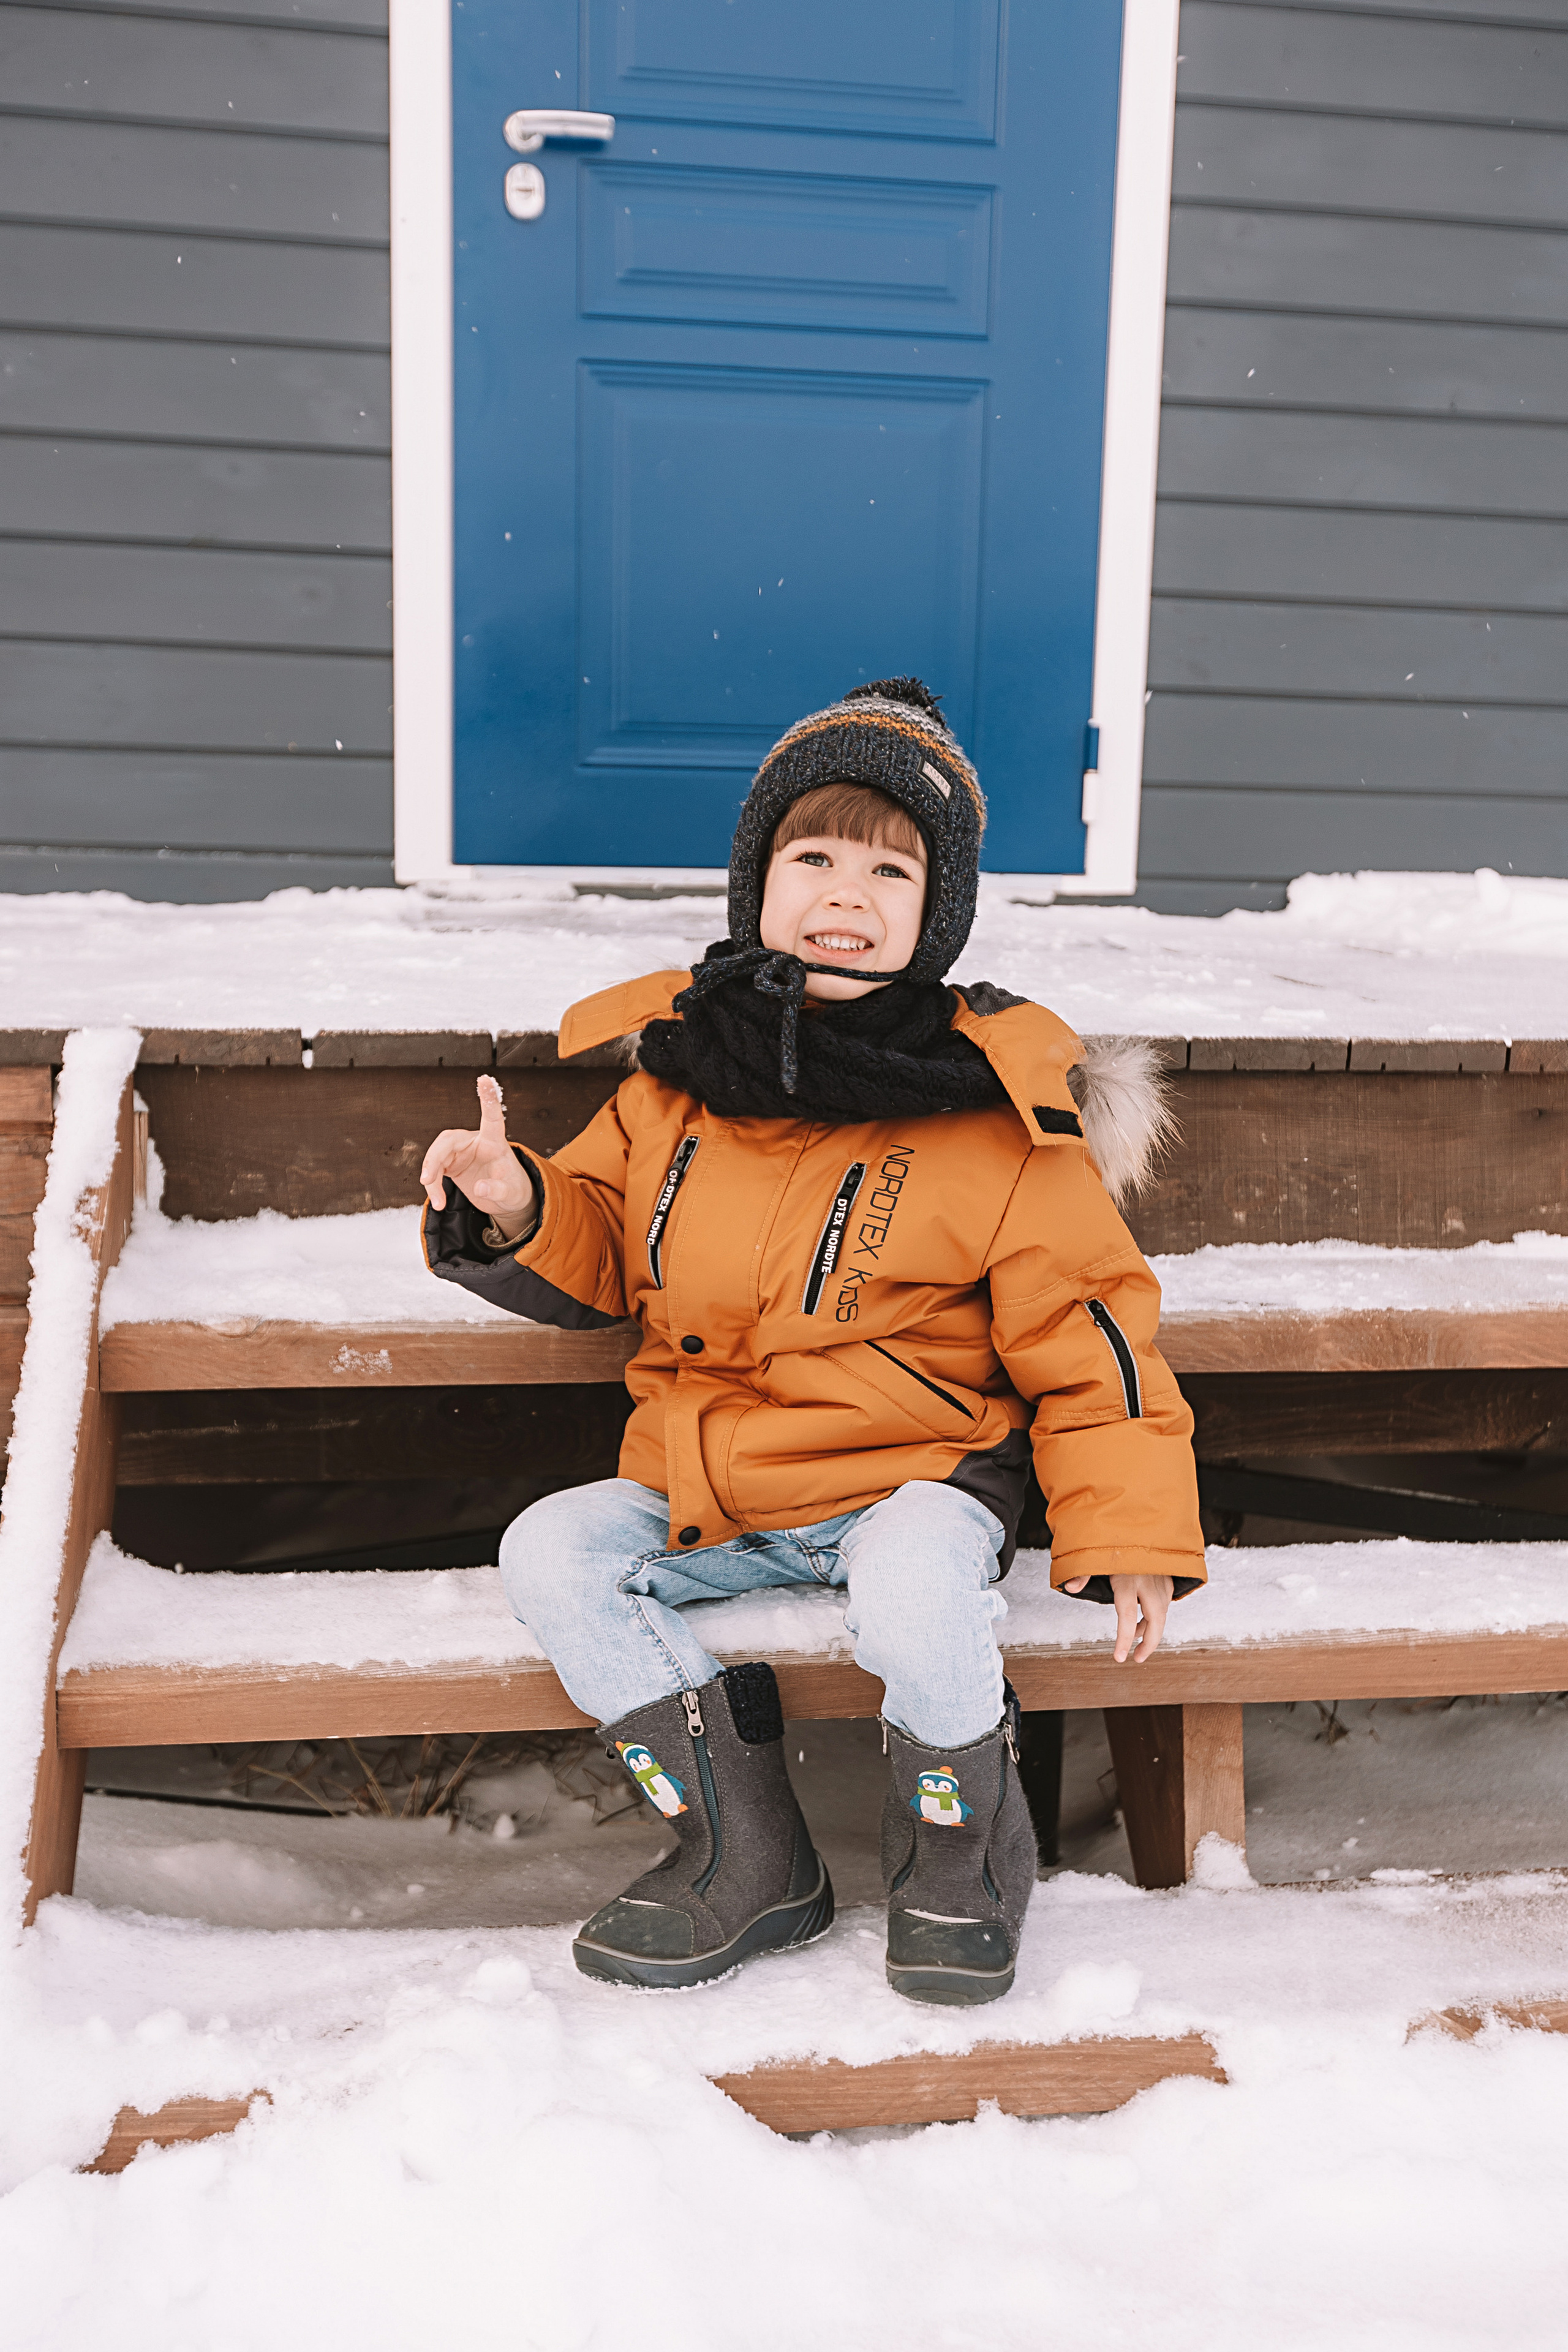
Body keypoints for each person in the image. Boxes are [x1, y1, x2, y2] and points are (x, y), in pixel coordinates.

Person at [421, 678, 1205, 2006]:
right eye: (811, 856)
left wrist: (1125, 1532)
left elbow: (1090, 1337)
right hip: (709, 1485)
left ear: (936, 910)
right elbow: (607, 1239)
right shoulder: (681, 1075)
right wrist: (520, 1205)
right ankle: (741, 1854)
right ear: (756, 880)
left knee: (910, 1588)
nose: (844, 893)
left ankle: (959, 1849)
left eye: (888, 868)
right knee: (549, 1546)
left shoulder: (991, 1120)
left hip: (914, 1477)